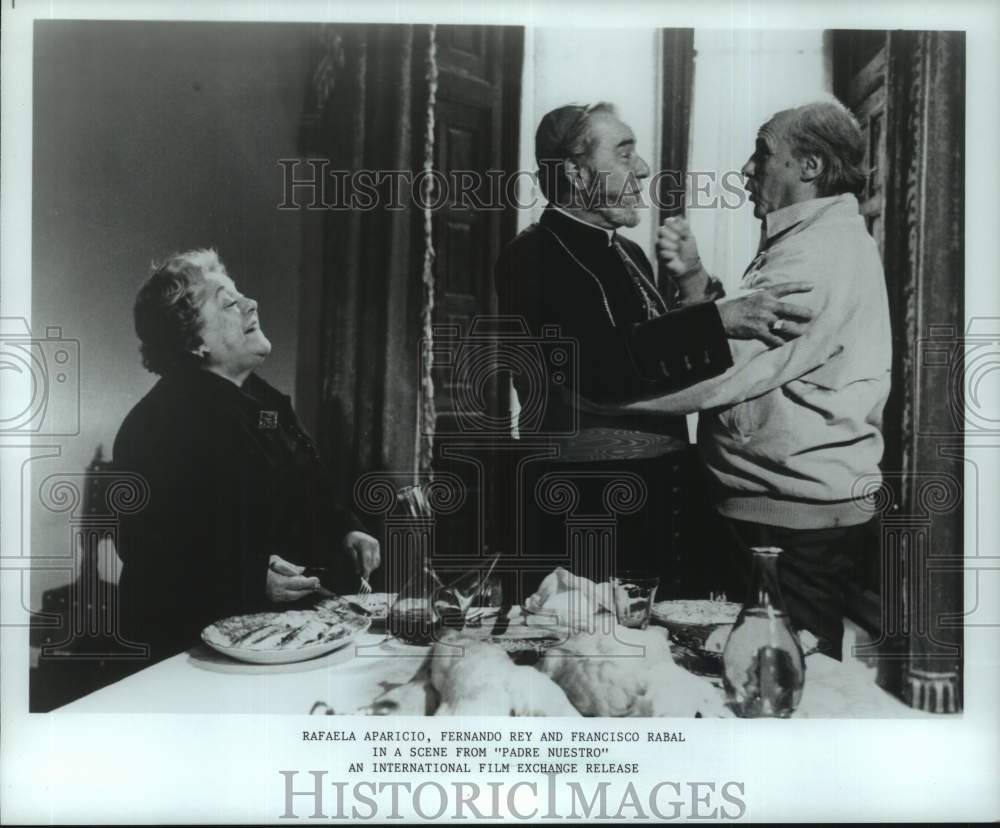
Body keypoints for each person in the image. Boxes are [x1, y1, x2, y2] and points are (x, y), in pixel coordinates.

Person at [599, 99, 892, 657]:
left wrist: (601, 393)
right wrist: (693, 280)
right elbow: (752, 341)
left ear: (809, 167)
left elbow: (727, 371)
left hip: (787, 522)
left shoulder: (817, 256)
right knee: (766, 669)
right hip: (784, 510)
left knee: (776, 678)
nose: (747, 170)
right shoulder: (808, 238)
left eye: (764, 153)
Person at [114, 249, 380, 664]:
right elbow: (149, 554)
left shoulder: (262, 401)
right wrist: (248, 579)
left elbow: (302, 493)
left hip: (282, 640)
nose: (251, 303)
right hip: (193, 657)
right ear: (195, 342)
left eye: (240, 294)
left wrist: (344, 530)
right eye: (228, 302)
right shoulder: (157, 424)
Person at [494, 101, 816, 438]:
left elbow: (660, 363)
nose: (644, 168)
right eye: (625, 155)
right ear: (577, 173)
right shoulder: (531, 255)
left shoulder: (628, 250)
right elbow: (590, 369)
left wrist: (692, 280)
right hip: (583, 480)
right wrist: (719, 319)